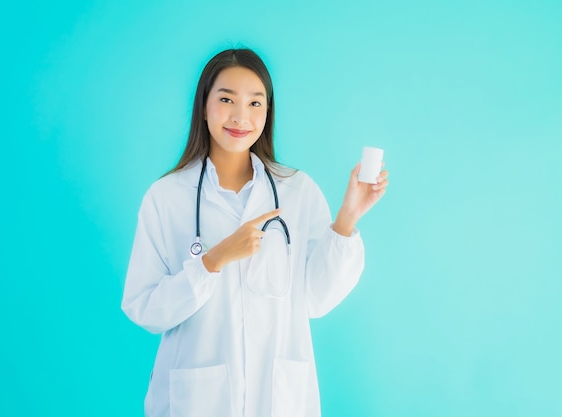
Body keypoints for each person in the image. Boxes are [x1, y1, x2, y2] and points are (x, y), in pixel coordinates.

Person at [121, 48, 389, 417]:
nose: (240, 116)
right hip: (196, 401)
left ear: (268, 111)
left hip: (278, 400)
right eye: (226, 99)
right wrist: (212, 260)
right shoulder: (166, 197)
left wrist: (346, 220)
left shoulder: (297, 190)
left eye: (255, 103)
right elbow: (145, 308)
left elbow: (316, 298)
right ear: (204, 105)